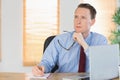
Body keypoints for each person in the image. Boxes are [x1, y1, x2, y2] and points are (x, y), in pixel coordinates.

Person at [32, 3, 107, 76]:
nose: (78, 21)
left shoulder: (100, 40)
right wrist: (41, 68)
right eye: (76, 17)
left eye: (83, 17)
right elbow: (47, 62)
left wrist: (83, 43)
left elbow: (102, 65)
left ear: (92, 21)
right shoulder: (60, 40)